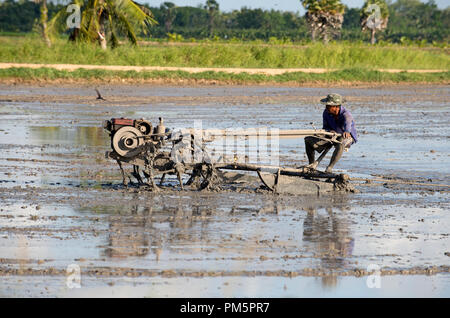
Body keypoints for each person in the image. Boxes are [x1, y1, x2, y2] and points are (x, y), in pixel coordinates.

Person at [304, 93, 357, 173]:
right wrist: (329, 131)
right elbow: (325, 127)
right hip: (331, 135)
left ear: (336, 107)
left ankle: (329, 168)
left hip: (346, 137)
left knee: (341, 141)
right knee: (308, 140)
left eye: (329, 106)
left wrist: (346, 131)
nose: (326, 107)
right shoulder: (326, 113)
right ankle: (311, 165)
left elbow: (348, 127)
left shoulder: (346, 115)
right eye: (326, 105)